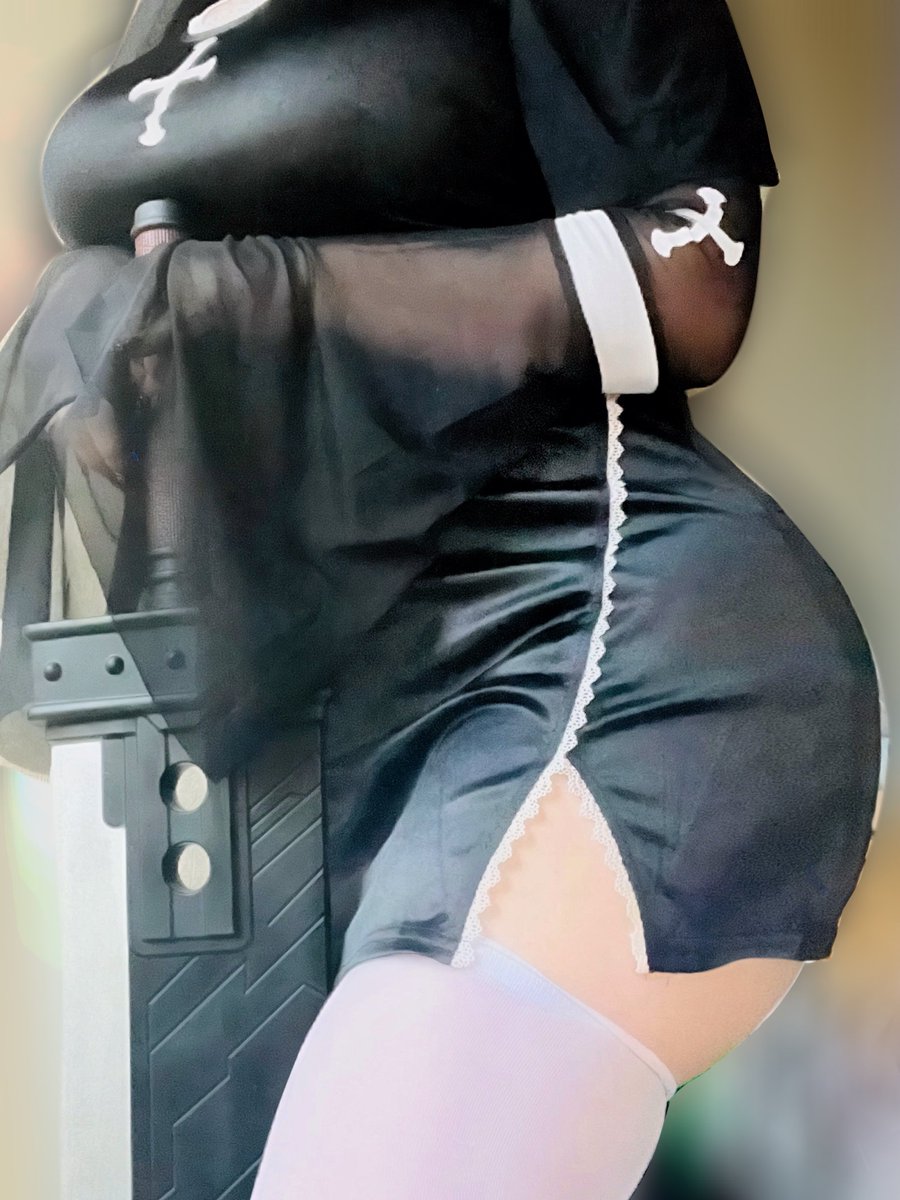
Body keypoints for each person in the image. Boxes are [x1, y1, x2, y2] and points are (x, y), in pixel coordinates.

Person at [0, 0, 883, 1195]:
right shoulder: (163, 17)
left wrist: (250, 299)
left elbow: (695, 281)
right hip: (317, 711)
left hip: (594, 636)